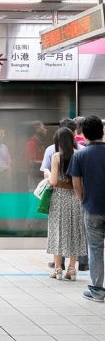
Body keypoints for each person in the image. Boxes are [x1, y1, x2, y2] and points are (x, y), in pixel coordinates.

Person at [68, 115, 105, 302]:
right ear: (102, 131)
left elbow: (76, 183)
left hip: (92, 209)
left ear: (84, 133)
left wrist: (83, 200)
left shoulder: (80, 155)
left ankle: (98, 291)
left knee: (96, 249)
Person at [46, 127, 86, 281]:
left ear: (58, 141)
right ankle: (72, 269)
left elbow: (54, 181)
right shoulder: (79, 155)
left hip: (59, 197)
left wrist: (48, 174)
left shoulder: (57, 156)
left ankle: (57, 269)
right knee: (75, 231)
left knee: (58, 231)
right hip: (76, 197)